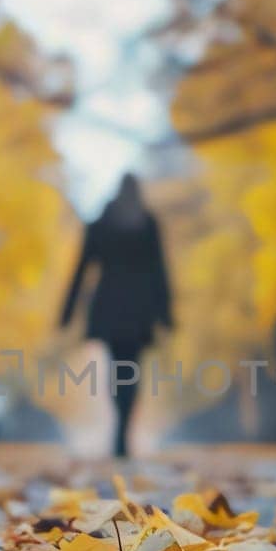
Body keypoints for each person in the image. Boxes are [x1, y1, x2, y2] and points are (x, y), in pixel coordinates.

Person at [59, 173, 173, 457]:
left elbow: (82, 268)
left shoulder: (101, 224)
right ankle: (123, 427)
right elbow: (159, 270)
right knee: (132, 370)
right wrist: (165, 313)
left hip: (109, 306)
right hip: (139, 309)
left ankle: (120, 429)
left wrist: (68, 311)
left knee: (116, 369)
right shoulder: (147, 224)